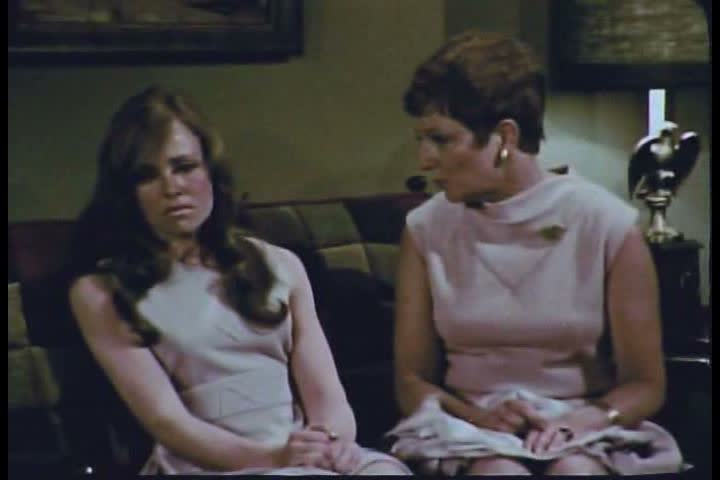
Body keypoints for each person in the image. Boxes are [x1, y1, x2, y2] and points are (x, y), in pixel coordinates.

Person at [67, 86, 411, 475]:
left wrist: (333, 445)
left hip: (301, 454)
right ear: (126, 192)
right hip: (206, 465)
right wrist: (274, 460)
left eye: (184, 167)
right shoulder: (101, 292)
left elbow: (326, 395)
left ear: (210, 171)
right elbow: (166, 421)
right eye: (147, 175)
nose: (171, 187)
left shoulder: (279, 265)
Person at [391, 32, 683, 475]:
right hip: (468, 428)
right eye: (421, 139)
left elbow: (645, 385)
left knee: (574, 471)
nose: (424, 160)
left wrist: (585, 421)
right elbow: (411, 381)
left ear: (504, 136)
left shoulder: (606, 224)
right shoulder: (426, 229)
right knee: (499, 472)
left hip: (583, 425)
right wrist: (478, 418)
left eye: (441, 139)